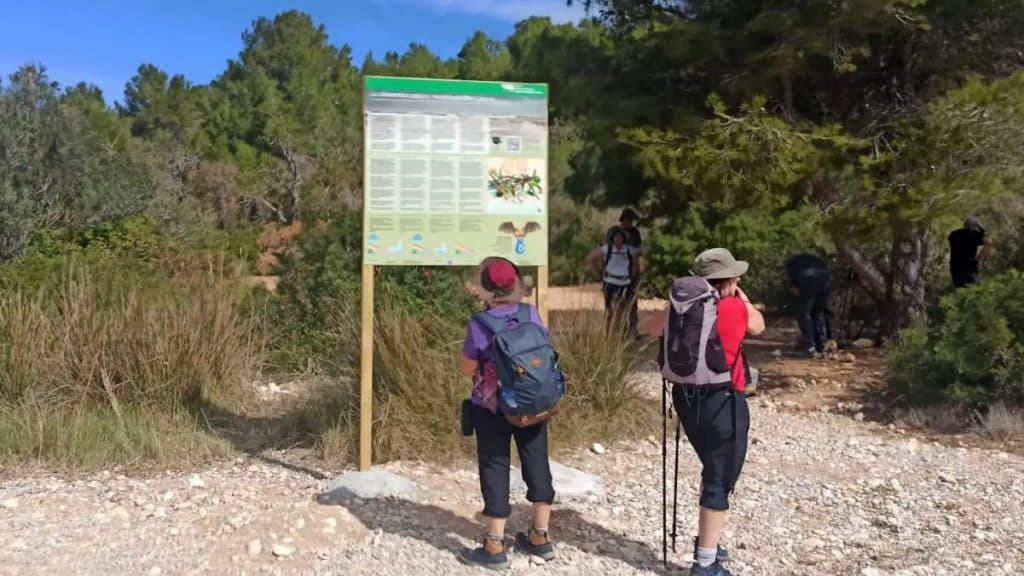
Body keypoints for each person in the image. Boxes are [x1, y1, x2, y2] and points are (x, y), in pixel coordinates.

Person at [649, 248, 765, 576]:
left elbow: (651, 327)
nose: (739, 279)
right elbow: (760, 325)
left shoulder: (679, 308)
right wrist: (741, 297)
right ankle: (705, 563)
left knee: (713, 468)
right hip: (724, 400)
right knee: (720, 477)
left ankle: (709, 540)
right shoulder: (732, 307)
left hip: (686, 400)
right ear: (726, 280)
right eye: (735, 276)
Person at [458, 257, 556, 570]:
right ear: (516, 286)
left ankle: (494, 545)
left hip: (491, 408)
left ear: (485, 290)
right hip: (533, 406)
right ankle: (540, 537)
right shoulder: (531, 313)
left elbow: (466, 368)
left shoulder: (480, 324)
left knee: (495, 467)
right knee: (537, 461)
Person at [588, 226, 639, 334]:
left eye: (620, 237)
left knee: (624, 309)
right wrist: (596, 274)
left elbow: (635, 264)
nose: (618, 239)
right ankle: (609, 333)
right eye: (616, 237)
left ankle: (623, 333)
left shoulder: (629, 250)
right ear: (612, 238)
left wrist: (632, 276)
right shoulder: (607, 249)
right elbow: (591, 258)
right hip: (610, 282)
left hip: (625, 282)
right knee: (610, 310)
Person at [785, 253, 831, 358]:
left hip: (808, 279)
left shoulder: (791, 264)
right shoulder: (815, 259)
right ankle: (822, 345)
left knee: (804, 314)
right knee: (819, 312)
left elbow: (794, 288)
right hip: (825, 279)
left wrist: (799, 297)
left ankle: (809, 347)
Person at [949, 216, 990, 288]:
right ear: (975, 226)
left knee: (959, 291)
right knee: (973, 292)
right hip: (970, 269)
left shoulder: (953, 234)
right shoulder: (975, 235)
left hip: (955, 268)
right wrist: (980, 260)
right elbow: (988, 242)